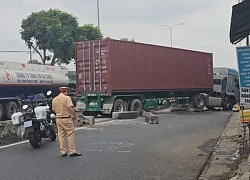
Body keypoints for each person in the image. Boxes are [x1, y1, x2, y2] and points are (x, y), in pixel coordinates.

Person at [52, 86, 82, 157]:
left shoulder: (54, 99)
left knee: (61, 135)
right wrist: (76, 117)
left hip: (58, 119)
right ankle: (72, 151)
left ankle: (63, 151)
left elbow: (53, 110)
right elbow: (70, 108)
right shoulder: (67, 98)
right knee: (70, 135)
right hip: (66, 119)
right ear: (66, 91)